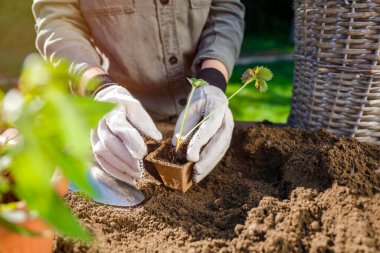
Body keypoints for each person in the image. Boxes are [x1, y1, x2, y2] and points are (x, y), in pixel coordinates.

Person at [32, 0, 245, 185]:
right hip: (119, 115)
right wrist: (100, 88)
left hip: (198, 107)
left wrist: (213, 82)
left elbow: (225, 8)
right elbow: (57, 20)